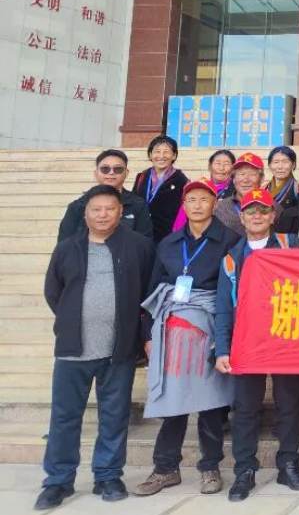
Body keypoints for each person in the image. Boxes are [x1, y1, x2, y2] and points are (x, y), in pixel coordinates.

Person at [36, 185, 156, 511]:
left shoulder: (139, 246)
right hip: (73, 349)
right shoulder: (67, 248)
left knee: (114, 416)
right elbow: (53, 292)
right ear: (86, 213)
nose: (103, 215)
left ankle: (108, 475)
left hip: (118, 349)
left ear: (121, 212)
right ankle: (58, 480)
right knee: (65, 417)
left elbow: (148, 293)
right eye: (96, 209)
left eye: (110, 209)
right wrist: (72, 319)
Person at [135, 178, 239, 497]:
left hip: (210, 328)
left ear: (214, 204)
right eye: (191, 200)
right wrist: (147, 335)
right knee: (173, 401)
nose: (197, 205)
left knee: (210, 404)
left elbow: (233, 292)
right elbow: (153, 289)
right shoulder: (169, 243)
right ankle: (165, 468)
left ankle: (210, 467)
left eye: (204, 199)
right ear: (184, 205)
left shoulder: (230, 240)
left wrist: (226, 339)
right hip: (171, 329)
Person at [212, 189, 299, 501]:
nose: (257, 216)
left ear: (273, 216)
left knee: (289, 403)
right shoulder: (231, 258)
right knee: (246, 408)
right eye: (251, 211)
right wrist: (222, 348)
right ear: (241, 217)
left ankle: (289, 464)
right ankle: (245, 469)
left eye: (263, 210)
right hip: (247, 341)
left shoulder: (290, 244)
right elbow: (223, 308)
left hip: (284, 337)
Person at [59, 149, 152, 242]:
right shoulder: (77, 207)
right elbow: (64, 245)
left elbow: (145, 244)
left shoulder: (138, 205)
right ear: (96, 173)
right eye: (105, 169)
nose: (111, 173)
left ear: (126, 173)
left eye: (118, 169)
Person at [132, 135, 188, 243]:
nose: (161, 156)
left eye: (166, 152)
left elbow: (183, 212)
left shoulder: (182, 180)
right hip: (140, 235)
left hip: (167, 238)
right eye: (157, 151)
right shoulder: (142, 177)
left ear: (174, 155)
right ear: (150, 154)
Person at [214, 153, 281, 236]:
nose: (245, 180)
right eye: (241, 174)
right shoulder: (220, 208)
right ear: (233, 179)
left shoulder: (275, 208)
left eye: (252, 174)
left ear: (262, 179)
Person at [170, 150, 236, 233]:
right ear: (209, 167)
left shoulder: (236, 191)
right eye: (217, 163)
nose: (221, 168)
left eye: (226, 164)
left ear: (233, 169)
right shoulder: (198, 187)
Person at [265, 146, 299, 210]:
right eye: (276, 162)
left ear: (293, 165)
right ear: (269, 166)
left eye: (285, 162)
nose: (280, 167)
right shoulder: (263, 189)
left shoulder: (298, 190)